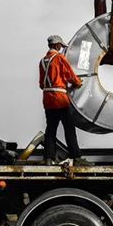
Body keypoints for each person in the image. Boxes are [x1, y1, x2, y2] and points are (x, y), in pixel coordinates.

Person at [39, 35, 83, 164]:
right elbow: (70, 75)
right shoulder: (59, 58)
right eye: (61, 46)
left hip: (47, 100)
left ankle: (48, 157)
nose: (61, 48)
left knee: (51, 129)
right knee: (69, 127)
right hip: (60, 99)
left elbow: (42, 84)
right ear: (57, 45)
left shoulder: (42, 61)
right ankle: (76, 157)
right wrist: (78, 83)